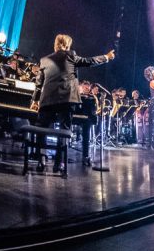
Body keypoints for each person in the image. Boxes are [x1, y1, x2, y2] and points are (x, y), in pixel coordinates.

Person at [30, 33, 114, 173]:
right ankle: (59, 163)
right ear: (67, 45)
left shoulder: (44, 60)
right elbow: (89, 61)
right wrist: (106, 57)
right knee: (64, 130)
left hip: (47, 99)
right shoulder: (70, 55)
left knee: (42, 127)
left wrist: (35, 100)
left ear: (56, 44)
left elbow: (39, 84)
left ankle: (41, 159)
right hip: (66, 98)